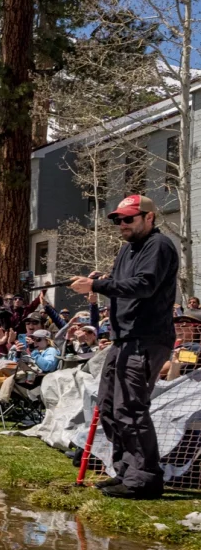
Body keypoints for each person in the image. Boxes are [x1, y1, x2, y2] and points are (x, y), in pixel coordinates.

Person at [69, 194, 180, 499]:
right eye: (119, 219)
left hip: (147, 337)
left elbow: (144, 285)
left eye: (129, 219)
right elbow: (122, 283)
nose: (122, 224)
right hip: (124, 338)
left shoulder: (158, 245)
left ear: (149, 217)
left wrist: (98, 285)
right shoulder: (128, 249)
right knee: (108, 405)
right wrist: (102, 279)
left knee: (131, 408)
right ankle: (126, 473)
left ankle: (145, 479)